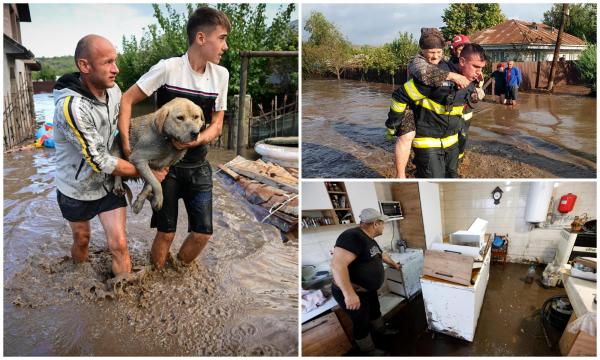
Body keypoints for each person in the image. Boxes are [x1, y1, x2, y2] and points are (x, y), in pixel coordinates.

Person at [118, 7, 230, 269]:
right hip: (165, 167)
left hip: (199, 166)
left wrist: (197, 140)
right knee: (166, 233)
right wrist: (126, 150)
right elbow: (127, 100)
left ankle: (176, 272)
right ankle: (157, 278)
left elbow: (217, 125)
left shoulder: (221, 75)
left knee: (203, 233)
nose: (225, 46)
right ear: (201, 38)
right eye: (222, 38)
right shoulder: (168, 68)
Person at [53, 35, 167, 280]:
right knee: (82, 240)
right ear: (85, 66)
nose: (116, 69)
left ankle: (121, 304)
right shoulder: (72, 108)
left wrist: (154, 152)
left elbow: (123, 130)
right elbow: (100, 161)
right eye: (108, 62)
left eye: (115, 61)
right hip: (76, 188)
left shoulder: (114, 90)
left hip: (108, 185)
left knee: (119, 245)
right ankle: (78, 280)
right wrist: (146, 172)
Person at [386, 43, 486, 178]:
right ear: (462, 61)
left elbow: (465, 110)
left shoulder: (472, 80)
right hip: (427, 141)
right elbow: (400, 95)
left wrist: (476, 92)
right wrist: (393, 125)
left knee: (452, 179)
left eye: (481, 68)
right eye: (476, 67)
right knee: (433, 183)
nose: (479, 73)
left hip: (451, 141)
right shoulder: (436, 77)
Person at [330, 208, 401, 356]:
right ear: (376, 223)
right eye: (383, 224)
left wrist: (394, 264)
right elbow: (337, 265)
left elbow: (380, 255)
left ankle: (381, 330)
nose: (384, 226)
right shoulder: (352, 236)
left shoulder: (368, 238)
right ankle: (368, 350)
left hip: (367, 290)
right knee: (360, 322)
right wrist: (349, 294)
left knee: (375, 310)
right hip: (354, 291)